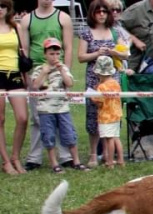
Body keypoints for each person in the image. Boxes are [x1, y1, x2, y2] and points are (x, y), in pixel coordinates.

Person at [20, 0, 73, 171]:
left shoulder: (63, 18)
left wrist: (66, 72)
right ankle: (34, 157)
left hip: (58, 73)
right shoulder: (27, 20)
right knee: (38, 117)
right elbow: (25, 49)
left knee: (61, 114)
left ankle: (66, 156)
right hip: (37, 73)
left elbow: (68, 47)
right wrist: (26, 75)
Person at [78, 0, 127, 168]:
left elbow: (125, 54)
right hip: (93, 79)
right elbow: (81, 57)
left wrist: (114, 52)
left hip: (113, 80)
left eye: (104, 11)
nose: (101, 14)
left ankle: (110, 155)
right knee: (93, 116)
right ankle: (93, 154)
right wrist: (96, 53)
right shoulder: (86, 33)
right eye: (97, 11)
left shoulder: (115, 32)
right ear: (92, 14)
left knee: (112, 115)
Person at [31, 38, 89, 174]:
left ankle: (76, 161)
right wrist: (44, 72)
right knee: (49, 136)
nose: (55, 57)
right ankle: (54, 163)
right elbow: (35, 86)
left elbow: (69, 83)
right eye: (51, 54)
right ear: (45, 54)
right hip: (45, 109)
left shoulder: (63, 68)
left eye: (57, 54)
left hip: (62, 108)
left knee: (69, 134)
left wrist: (62, 70)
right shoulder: (39, 69)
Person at [0, 0, 28, 175]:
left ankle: (15, 157)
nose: (0, 10)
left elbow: (22, 53)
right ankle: (5, 161)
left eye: (2, 6)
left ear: (8, 9)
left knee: (22, 117)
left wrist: (27, 77)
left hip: (15, 74)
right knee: (0, 119)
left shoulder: (15, 27)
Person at [91, 56, 124, 168]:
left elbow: (99, 103)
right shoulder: (115, 83)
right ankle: (120, 159)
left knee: (109, 139)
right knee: (116, 138)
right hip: (116, 114)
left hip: (106, 116)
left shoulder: (101, 87)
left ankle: (110, 162)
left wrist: (92, 97)